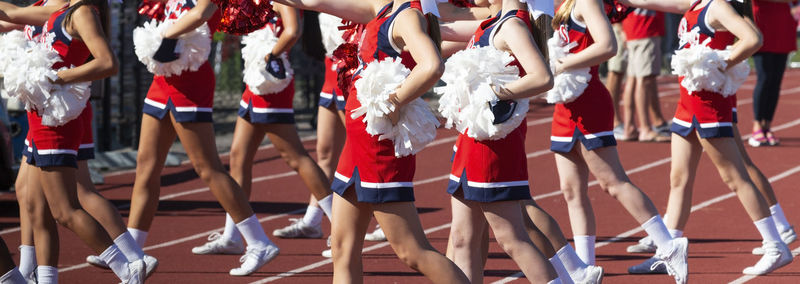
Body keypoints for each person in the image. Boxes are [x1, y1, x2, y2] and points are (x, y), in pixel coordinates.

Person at [272, 0, 471, 282]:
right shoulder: (381, 7)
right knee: (343, 248)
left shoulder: (406, 16)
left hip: (379, 147)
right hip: (355, 146)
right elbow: (315, 2)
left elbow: (432, 66)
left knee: (411, 251)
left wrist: (394, 101)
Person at [620, 0, 793, 275]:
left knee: (735, 177)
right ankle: (668, 251)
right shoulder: (696, 4)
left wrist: (718, 63)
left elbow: (753, 38)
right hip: (687, 104)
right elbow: (654, 2)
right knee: (679, 179)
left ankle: (775, 245)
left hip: (708, 104)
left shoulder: (718, 6)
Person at [126, 0, 278, 276]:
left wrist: (165, 36)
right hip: (163, 77)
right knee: (146, 167)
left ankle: (258, 242)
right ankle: (130, 252)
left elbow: (201, 13)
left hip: (190, 79)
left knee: (207, 167)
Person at [0, 0, 147, 283]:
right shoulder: (52, 11)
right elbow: (12, 15)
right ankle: (43, 278)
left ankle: (128, 268)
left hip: (56, 121)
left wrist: (59, 77)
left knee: (65, 211)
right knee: (36, 208)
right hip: (39, 118)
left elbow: (108, 63)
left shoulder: (79, 12)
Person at [549, 0, 689, 282]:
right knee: (571, 191)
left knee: (612, 182)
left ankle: (668, 245)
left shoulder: (586, 2)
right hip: (564, 104)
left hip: (587, 101)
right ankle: (585, 268)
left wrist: (561, 64)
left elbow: (607, 46)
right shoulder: (562, 4)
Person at [191, 3, 337, 257]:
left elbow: (292, 31)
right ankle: (232, 236)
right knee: (238, 157)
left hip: (271, 86)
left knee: (295, 157)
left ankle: (341, 226)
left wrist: (270, 56)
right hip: (253, 84)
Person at [439, 0, 561, 282]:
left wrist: (492, 92)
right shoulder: (494, 22)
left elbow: (542, 76)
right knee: (461, 239)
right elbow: (444, 26)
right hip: (472, 140)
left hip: (491, 145)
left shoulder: (512, 25)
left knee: (511, 238)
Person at [748, 0, 797, 146]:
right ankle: (757, 124)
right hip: (764, 28)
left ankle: (767, 125)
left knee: (775, 82)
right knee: (764, 79)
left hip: (784, 29)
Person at [620, 8, 671, 142]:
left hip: (633, 29)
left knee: (632, 79)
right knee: (644, 80)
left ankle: (629, 127)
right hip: (645, 29)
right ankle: (645, 128)